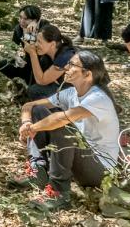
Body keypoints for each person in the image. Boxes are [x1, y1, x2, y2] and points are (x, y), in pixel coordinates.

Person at [13, 50, 121, 212]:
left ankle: (59, 192)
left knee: (63, 125)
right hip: (78, 157)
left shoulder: (98, 98)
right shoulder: (71, 93)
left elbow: (61, 119)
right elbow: (29, 106)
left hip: (99, 170)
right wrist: (26, 123)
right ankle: (38, 171)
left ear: (87, 74)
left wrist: (34, 129)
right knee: (39, 110)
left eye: (72, 65)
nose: (66, 68)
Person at [0, 5, 51, 89]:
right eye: (20, 17)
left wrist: (32, 32)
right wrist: (16, 57)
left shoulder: (45, 26)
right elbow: (12, 48)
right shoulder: (18, 29)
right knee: (3, 64)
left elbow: (40, 49)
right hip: (28, 62)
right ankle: (22, 83)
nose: (21, 21)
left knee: (43, 61)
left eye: (25, 19)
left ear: (35, 20)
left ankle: (36, 85)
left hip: (43, 63)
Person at [22, 23, 77, 100]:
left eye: (39, 42)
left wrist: (32, 54)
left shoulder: (65, 56)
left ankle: (56, 109)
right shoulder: (48, 55)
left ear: (52, 44)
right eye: (36, 41)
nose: (36, 44)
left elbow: (41, 81)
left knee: (34, 91)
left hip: (79, 94)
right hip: (67, 89)